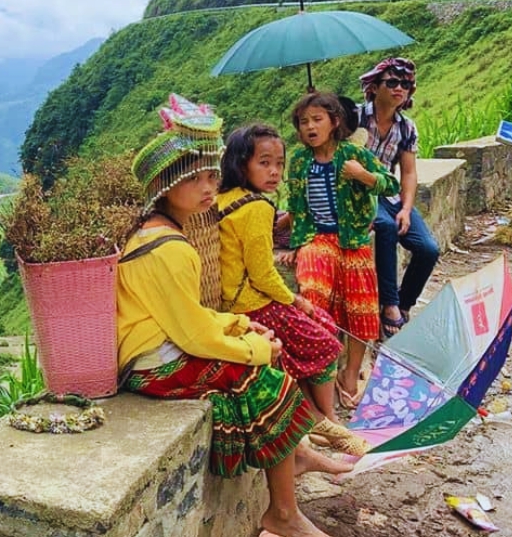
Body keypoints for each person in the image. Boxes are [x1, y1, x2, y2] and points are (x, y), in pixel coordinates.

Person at [117, 111, 348, 537]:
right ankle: (284, 514)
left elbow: (189, 315)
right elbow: (192, 334)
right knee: (266, 378)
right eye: (193, 180)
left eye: (210, 176)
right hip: (152, 363)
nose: (208, 188)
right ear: (165, 188)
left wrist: (239, 325)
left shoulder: (162, 234)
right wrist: (257, 348)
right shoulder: (168, 248)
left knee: (265, 366)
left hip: (162, 345)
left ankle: (292, 467)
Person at [217, 123, 367, 456]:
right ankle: (326, 421)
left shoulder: (225, 199)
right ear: (240, 163)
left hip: (234, 302)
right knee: (326, 341)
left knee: (310, 339)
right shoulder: (257, 207)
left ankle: (320, 422)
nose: (274, 172)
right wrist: (298, 301)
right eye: (264, 162)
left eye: (279, 163)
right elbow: (262, 273)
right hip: (253, 304)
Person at [280, 92, 400, 409]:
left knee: (360, 303)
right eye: (303, 121)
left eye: (317, 119)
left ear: (335, 122)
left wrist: (362, 175)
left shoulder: (353, 154)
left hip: (353, 240)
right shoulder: (300, 161)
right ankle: (323, 370)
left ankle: (350, 373)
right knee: (314, 293)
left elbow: (391, 184)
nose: (309, 127)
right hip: (318, 238)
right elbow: (296, 205)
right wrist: (297, 242)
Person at [357, 57, 440, 338]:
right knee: (385, 227)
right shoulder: (353, 118)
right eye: (391, 82)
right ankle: (389, 305)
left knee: (428, 248)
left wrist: (406, 208)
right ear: (374, 86)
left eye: (405, 84)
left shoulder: (406, 128)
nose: (399, 89)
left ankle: (404, 303)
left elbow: (408, 173)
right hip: (359, 193)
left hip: (388, 193)